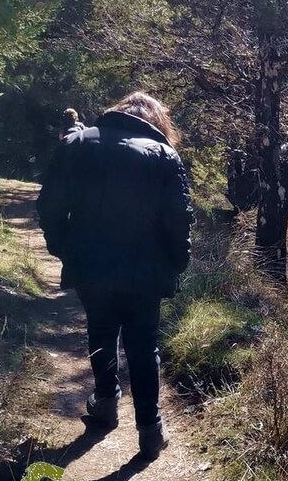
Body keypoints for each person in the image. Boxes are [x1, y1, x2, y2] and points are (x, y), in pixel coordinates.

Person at [37, 92, 193, 461]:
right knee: (144, 344)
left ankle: (106, 402)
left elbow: (49, 204)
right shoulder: (164, 154)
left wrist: (63, 248)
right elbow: (179, 218)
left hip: (91, 265)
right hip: (146, 270)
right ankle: (151, 431)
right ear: (157, 120)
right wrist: (177, 263)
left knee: (101, 331)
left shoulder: (78, 142)